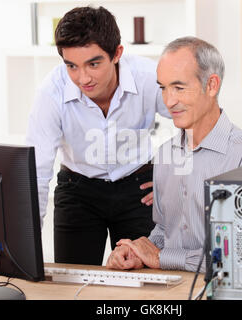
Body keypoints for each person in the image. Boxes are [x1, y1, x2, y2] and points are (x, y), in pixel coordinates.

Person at [106, 37, 242, 272]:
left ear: (212, 85)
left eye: (179, 88)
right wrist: (137, 252)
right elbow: (164, 230)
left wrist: (163, 258)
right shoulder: (165, 154)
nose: (169, 101)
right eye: (163, 88)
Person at [25, 6, 170, 265]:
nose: (83, 78)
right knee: (72, 281)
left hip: (138, 187)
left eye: (93, 64)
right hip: (77, 190)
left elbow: (192, 120)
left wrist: (172, 177)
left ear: (117, 54)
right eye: (72, 66)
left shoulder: (149, 77)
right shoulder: (51, 92)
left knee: (145, 279)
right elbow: (36, 173)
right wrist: (24, 244)